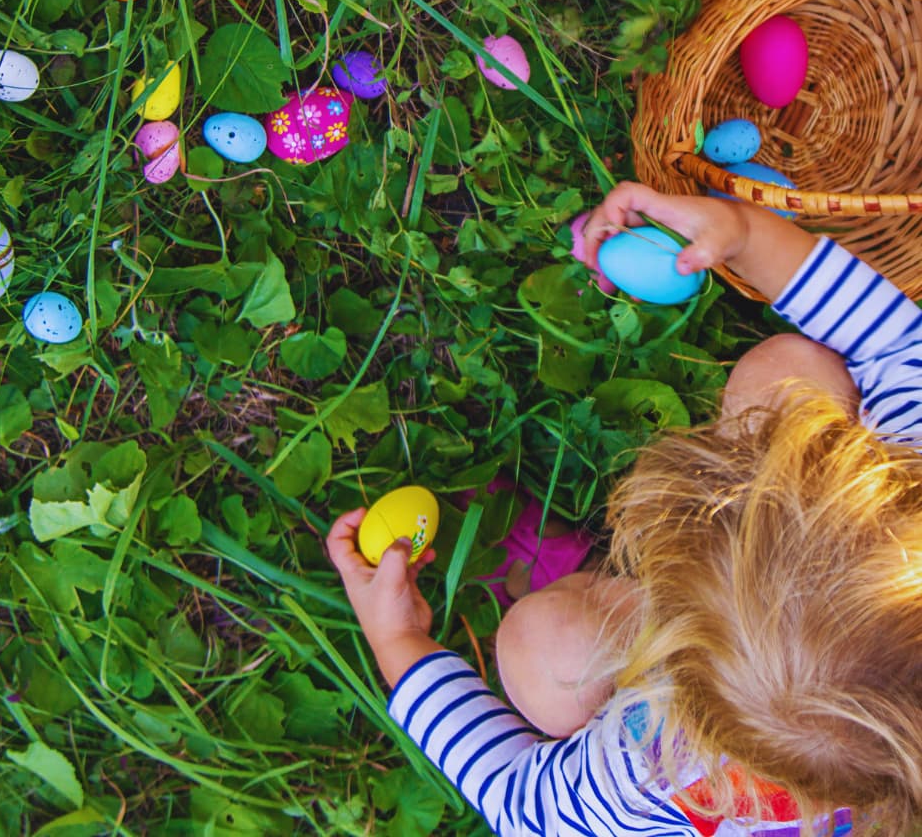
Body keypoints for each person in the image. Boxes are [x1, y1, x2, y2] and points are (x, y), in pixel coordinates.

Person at [327, 182, 922, 836]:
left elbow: (522, 807)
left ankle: (569, 580)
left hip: (680, 705)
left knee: (543, 648)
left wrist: (398, 639)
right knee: (788, 371)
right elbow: (899, 346)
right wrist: (745, 236)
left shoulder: (657, 773)